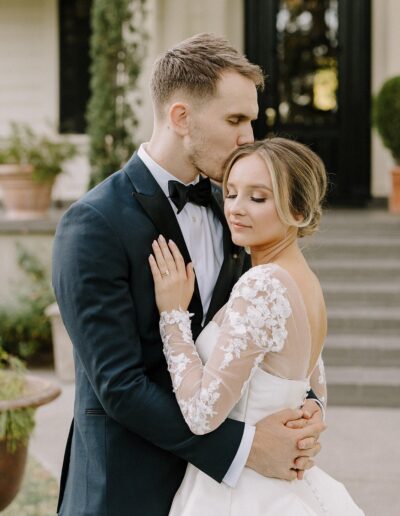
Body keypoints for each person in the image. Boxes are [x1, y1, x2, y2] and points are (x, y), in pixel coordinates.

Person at [52, 34, 325, 516]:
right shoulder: (94, 224)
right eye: (235, 120)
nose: (248, 137)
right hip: (126, 489)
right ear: (182, 118)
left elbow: (266, 330)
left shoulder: (235, 211)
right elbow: (119, 386)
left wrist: (306, 411)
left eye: (251, 121)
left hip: (222, 496)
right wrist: (245, 448)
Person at [148, 137, 365, 515]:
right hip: (281, 484)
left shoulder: (262, 284)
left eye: (258, 198)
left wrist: (172, 316)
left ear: (298, 212)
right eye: (230, 193)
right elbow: (312, 391)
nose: (235, 209)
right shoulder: (305, 282)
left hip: (239, 493)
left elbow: (202, 415)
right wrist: (309, 418)